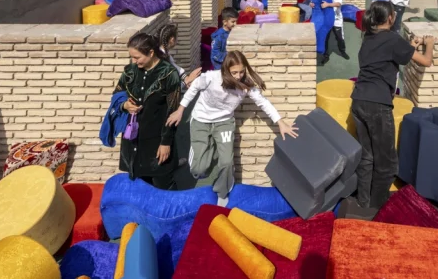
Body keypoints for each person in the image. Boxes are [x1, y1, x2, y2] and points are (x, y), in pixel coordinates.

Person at [165, 50, 298, 205]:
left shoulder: (245, 85)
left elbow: (263, 102)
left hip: (224, 123)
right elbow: (194, 87)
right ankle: (207, 152)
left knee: (227, 162)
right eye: (234, 72)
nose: (238, 76)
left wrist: (280, 122)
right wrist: (180, 110)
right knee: (199, 170)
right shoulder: (211, 77)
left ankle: (222, 192)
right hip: (201, 120)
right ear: (225, 70)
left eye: (241, 72)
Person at [348, 0, 435, 215]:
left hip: (359, 101)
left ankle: (363, 203)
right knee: (387, 164)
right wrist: (429, 44)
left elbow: (394, 55)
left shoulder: (368, 37)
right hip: (378, 105)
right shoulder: (393, 39)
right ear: (390, 18)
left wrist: (410, 45)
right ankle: (379, 209)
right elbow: (425, 61)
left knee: (367, 157)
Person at [112, 32, 183, 190]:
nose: (133, 61)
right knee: (140, 184)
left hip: (157, 139)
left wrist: (165, 143)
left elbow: (173, 112)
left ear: (151, 53)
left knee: (164, 184)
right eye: (132, 57)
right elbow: (117, 95)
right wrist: (125, 105)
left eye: (137, 57)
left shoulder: (169, 74)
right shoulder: (130, 71)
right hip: (133, 139)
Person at [157, 22, 202, 91]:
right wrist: (187, 81)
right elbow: (169, 90)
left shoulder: (163, 53)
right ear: (172, 39)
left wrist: (186, 78)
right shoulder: (161, 60)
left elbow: (175, 67)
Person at [320, 0, 349, 65]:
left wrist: (328, 5)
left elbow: (338, 4)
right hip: (328, 18)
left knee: (339, 37)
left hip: (337, 20)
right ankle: (326, 56)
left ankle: (342, 51)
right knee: (326, 38)